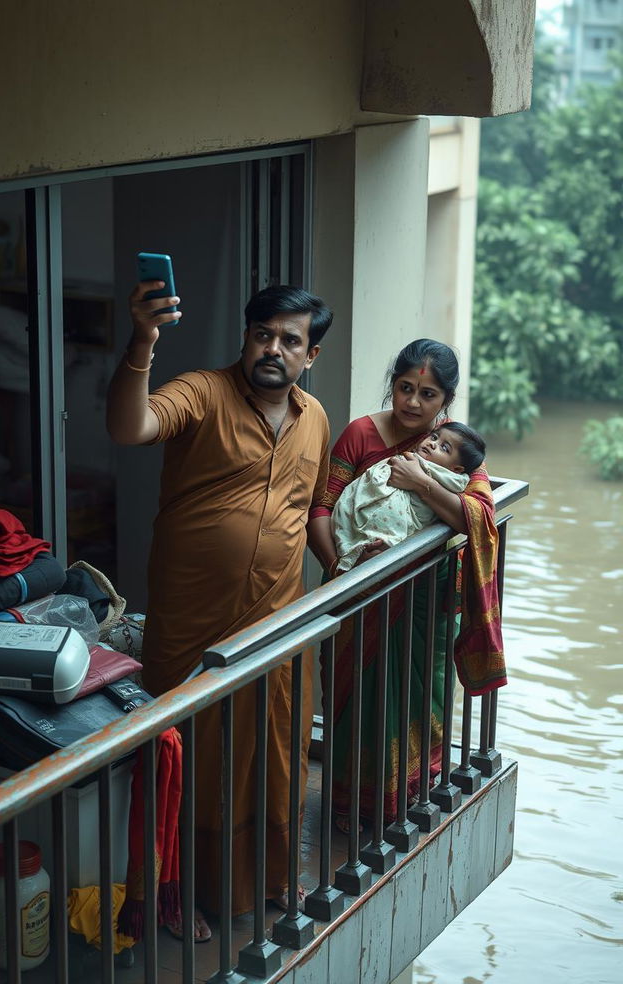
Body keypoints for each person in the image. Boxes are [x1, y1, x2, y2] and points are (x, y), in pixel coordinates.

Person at [106, 280, 333, 928]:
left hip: (279, 624)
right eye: (263, 333)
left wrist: (343, 558)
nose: (273, 348)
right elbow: (130, 425)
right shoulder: (204, 392)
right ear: (245, 335)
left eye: (290, 340)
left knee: (275, 756)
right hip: (193, 624)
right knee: (187, 762)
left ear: (309, 355)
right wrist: (144, 341)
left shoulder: (314, 419)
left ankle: (273, 878)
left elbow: (311, 504)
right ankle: (172, 900)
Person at [307, 339, 505, 831]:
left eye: (428, 394)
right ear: (392, 385)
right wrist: (345, 572)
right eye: (405, 388)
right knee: (358, 703)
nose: (413, 403)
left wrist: (421, 482)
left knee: (421, 699)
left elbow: (475, 517)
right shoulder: (360, 434)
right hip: (358, 593)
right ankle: (351, 813)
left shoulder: (452, 446)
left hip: (424, 603)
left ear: (446, 403)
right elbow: (321, 509)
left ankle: (415, 797)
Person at [331, 422, 486, 573]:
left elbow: (476, 519)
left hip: (424, 570)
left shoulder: (460, 446)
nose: (433, 444)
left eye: (444, 448)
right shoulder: (361, 431)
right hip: (354, 558)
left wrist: (418, 480)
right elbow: (323, 502)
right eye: (433, 437)